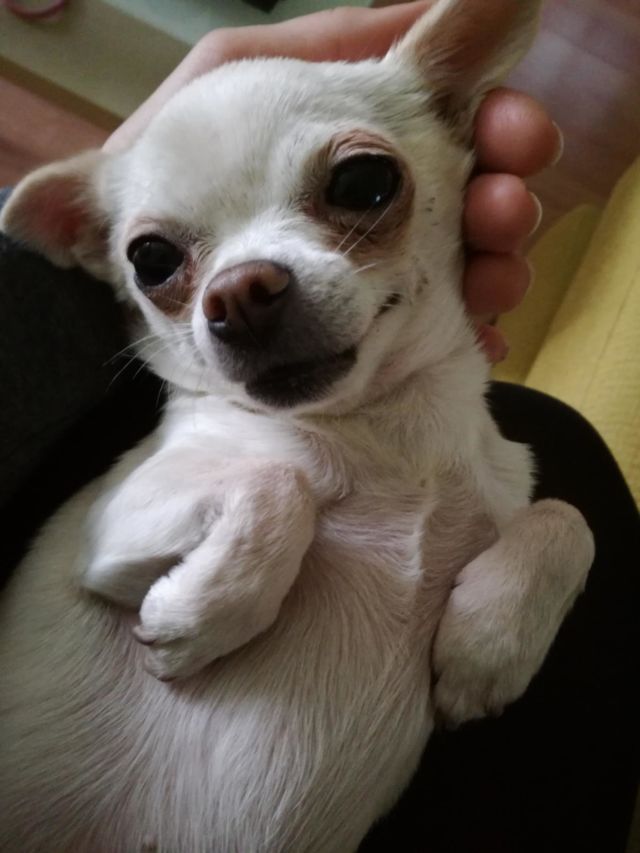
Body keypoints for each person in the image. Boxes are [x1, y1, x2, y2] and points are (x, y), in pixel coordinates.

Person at [0, 4, 638, 851]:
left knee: (571, 508)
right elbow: (110, 554)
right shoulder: (206, 452)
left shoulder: (511, 492)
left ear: (448, 125)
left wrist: (552, 551)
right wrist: (262, 511)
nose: (239, 294)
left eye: (356, 188)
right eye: (161, 264)